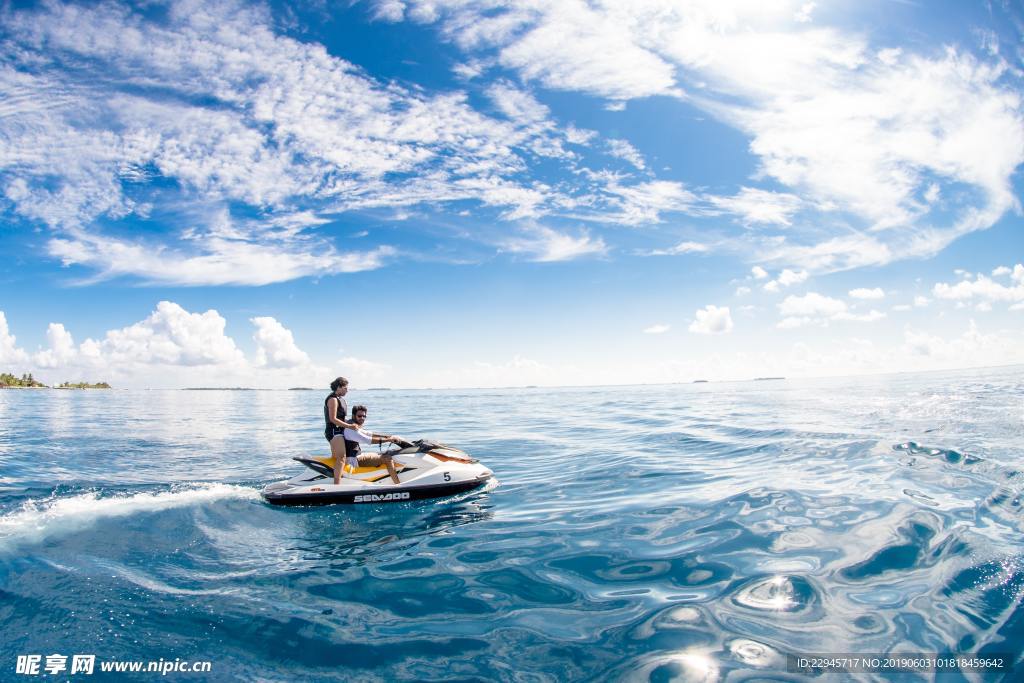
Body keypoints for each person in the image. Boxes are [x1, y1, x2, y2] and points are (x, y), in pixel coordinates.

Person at [344, 405, 405, 484]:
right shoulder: (351, 429)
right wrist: (388, 440)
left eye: (364, 416)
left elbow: (368, 433)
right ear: (353, 416)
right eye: (359, 416)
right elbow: (368, 439)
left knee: (382, 454)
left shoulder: (353, 425)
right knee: (387, 458)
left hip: (356, 456)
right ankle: (398, 485)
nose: (362, 418)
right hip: (353, 461)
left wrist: (387, 436)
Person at [324, 376, 359, 485]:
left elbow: (341, 419)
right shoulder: (333, 399)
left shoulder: (341, 400)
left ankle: (335, 478)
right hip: (334, 432)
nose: (347, 390)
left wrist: (352, 424)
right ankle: (337, 485)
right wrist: (349, 427)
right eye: (345, 388)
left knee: (336, 458)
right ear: (338, 387)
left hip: (340, 431)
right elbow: (333, 419)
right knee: (341, 457)